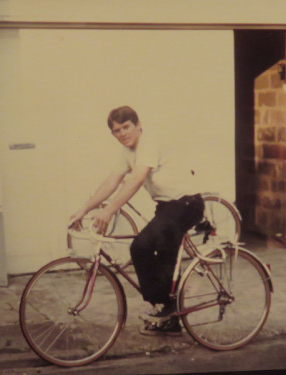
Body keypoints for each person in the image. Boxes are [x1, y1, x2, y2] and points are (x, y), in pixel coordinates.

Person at [70, 105, 204, 336]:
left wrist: (109, 210)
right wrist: (84, 209)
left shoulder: (148, 142)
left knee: (143, 246)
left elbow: (136, 179)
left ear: (138, 125)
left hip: (186, 203)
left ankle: (167, 308)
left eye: (126, 127)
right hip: (167, 206)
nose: (122, 133)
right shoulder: (127, 152)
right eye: (116, 130)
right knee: (154, 252)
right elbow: (112, 181)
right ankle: (169, 314)